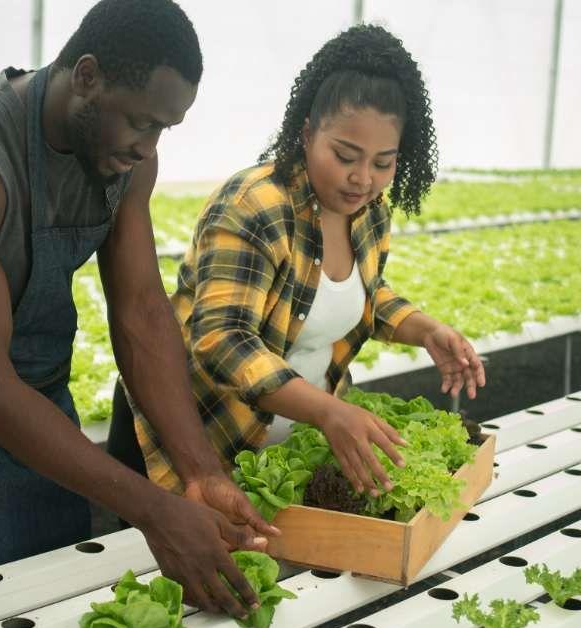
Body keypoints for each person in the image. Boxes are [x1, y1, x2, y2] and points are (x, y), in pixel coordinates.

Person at [0, 0, 275, 617]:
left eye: (166, 128)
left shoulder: (126, 158)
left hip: (45, 417)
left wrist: (200, 473)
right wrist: (152, 510)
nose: (150, 146)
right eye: (142, 122)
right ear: (86, 76)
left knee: (59, 608)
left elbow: (141, 310)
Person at [109, 24, 487, 498]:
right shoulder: (254, 206)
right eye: (345, 155)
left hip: (283, 449)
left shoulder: (369, 213)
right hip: (198, 444)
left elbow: (352, 291)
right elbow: (223, 341)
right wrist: (329, 412)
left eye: (383, 162)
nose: (362, 178)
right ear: (307, 135)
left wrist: (425, 329)